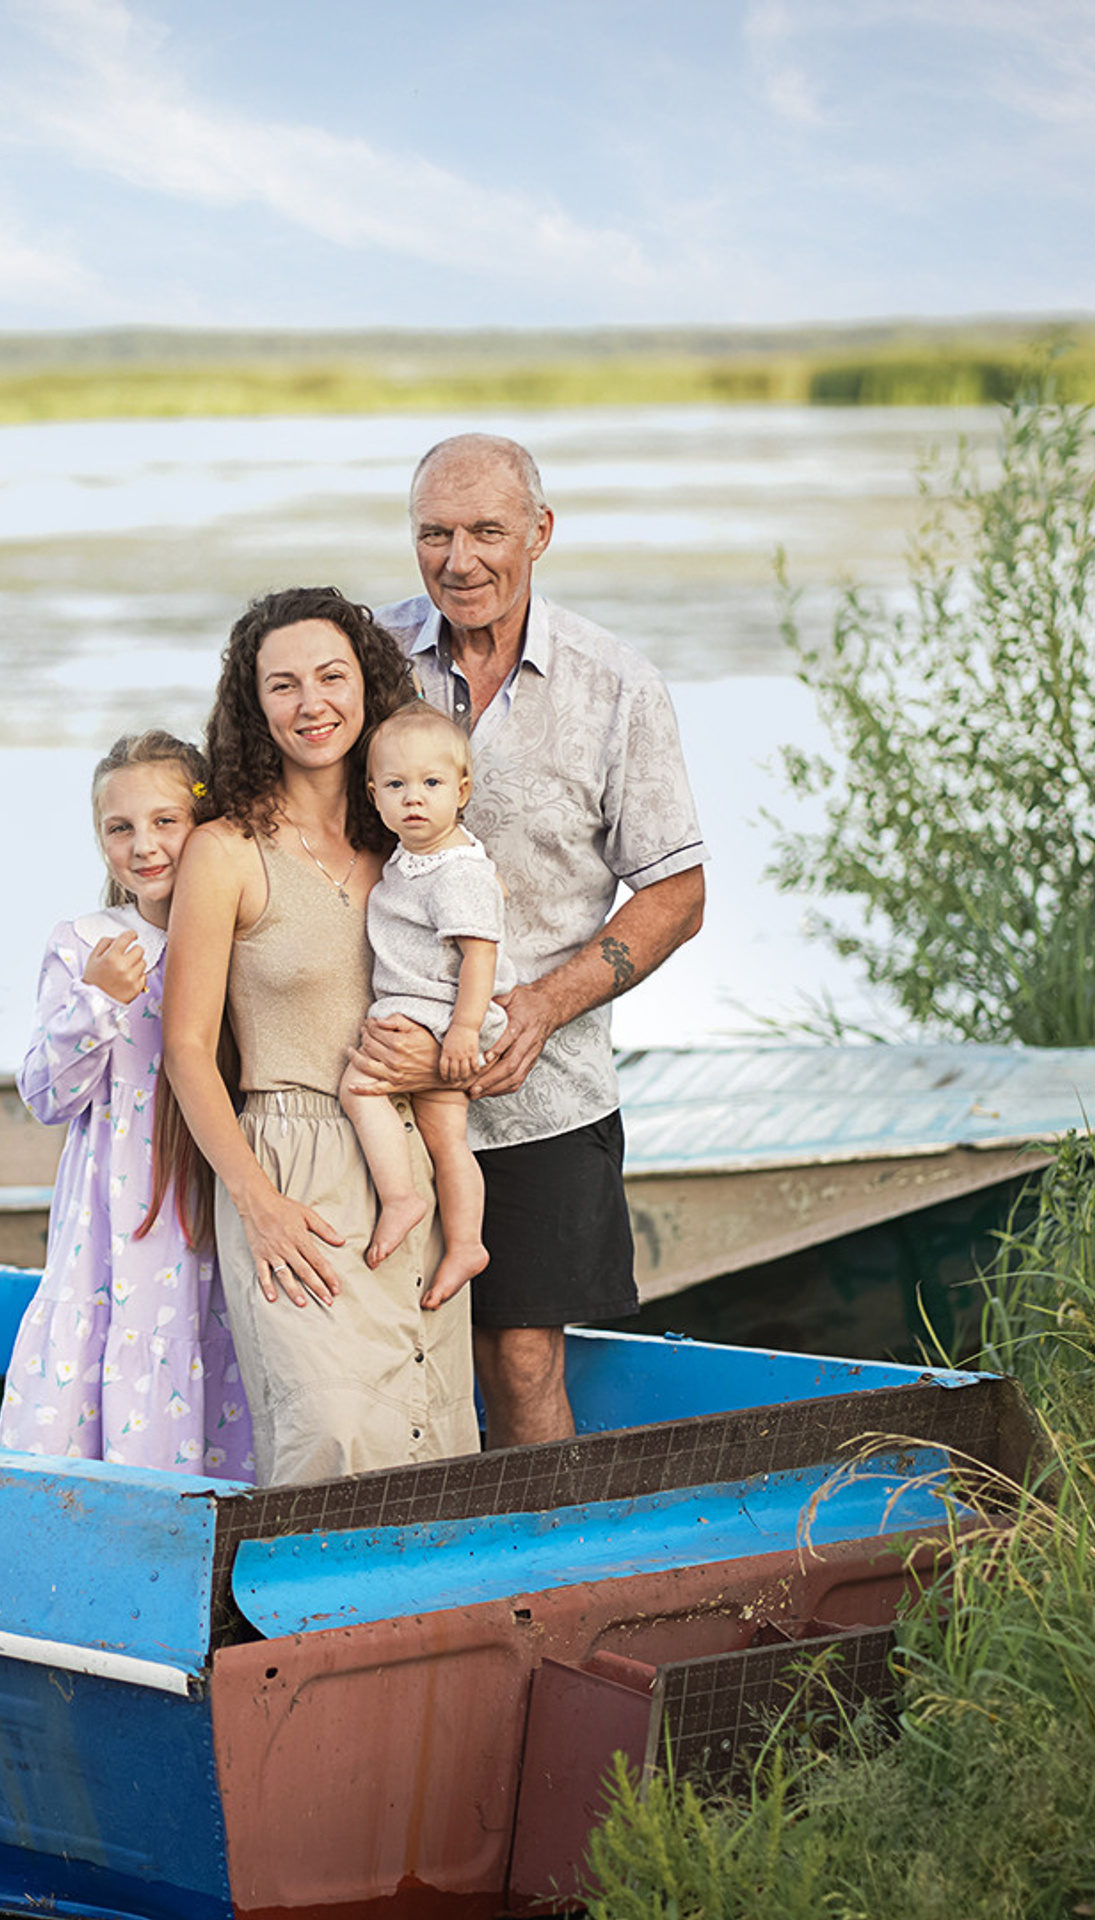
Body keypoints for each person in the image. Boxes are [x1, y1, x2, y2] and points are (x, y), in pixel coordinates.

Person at [360, 432, 707, 1450]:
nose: (459, 559)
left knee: (520, 1360)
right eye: (434, 533)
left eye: (486, 532)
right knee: (373, 1352)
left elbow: (677, 893)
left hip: (542, 1092)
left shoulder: (617, 685)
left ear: (541, 534)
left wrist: (539, 1009)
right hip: (376, 1082)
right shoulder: (364, 664)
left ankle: (535, 1593)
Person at [162, 587, 480, 1486]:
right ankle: (309, 1624)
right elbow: (186, 1047)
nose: (313, 704)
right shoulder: (225, 850)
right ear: (254, 706)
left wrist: (443, 1060)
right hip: (287, 1162)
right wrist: (257, 1204)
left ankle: (426, 1622)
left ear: (368, 685)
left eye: (332, 677)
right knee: (329, 1433)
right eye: (284, 685)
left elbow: (468, 992)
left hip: (405, 1160)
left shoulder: (414, 846)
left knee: (429, 1427)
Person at [0, 730, 255, 1481]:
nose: (144, 844)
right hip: (115, 1216)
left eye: (166, 820)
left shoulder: (246, 932)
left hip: (219, 1192)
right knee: (118, 1351)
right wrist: (96, 1002)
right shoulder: (86, 944)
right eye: (121, 827)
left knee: (220, 1360)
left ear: (204, 823)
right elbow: (46, 1095)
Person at [339, 701, 515, 1312]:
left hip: (441, 1010)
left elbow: (481, 957)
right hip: (433, 1006)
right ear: (374, 794)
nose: (414, 798)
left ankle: (401, 1199)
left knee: (360, 1087)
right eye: (396, 785)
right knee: (447, 1138)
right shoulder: (418, 857)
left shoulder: (456, 870)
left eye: (432, 784)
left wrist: (464, 1031)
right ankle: (466, 1242)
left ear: (462, 790)